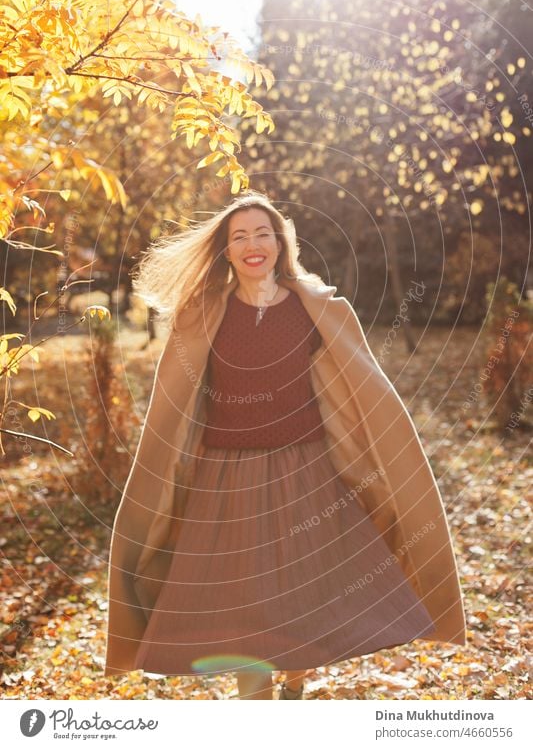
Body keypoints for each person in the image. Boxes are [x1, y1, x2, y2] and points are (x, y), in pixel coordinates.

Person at [105, 190, 465, 699]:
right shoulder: (202, 315)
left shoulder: (318, 310)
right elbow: (177, 400)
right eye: (240, 237)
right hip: (226, 477)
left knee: (301, 593)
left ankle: (294, 686)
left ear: (280, 243)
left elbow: (359, 388)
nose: (253, 245)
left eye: (263, 234)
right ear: (225, 250)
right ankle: (258, 711)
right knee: (247, 605)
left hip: (306, 470)